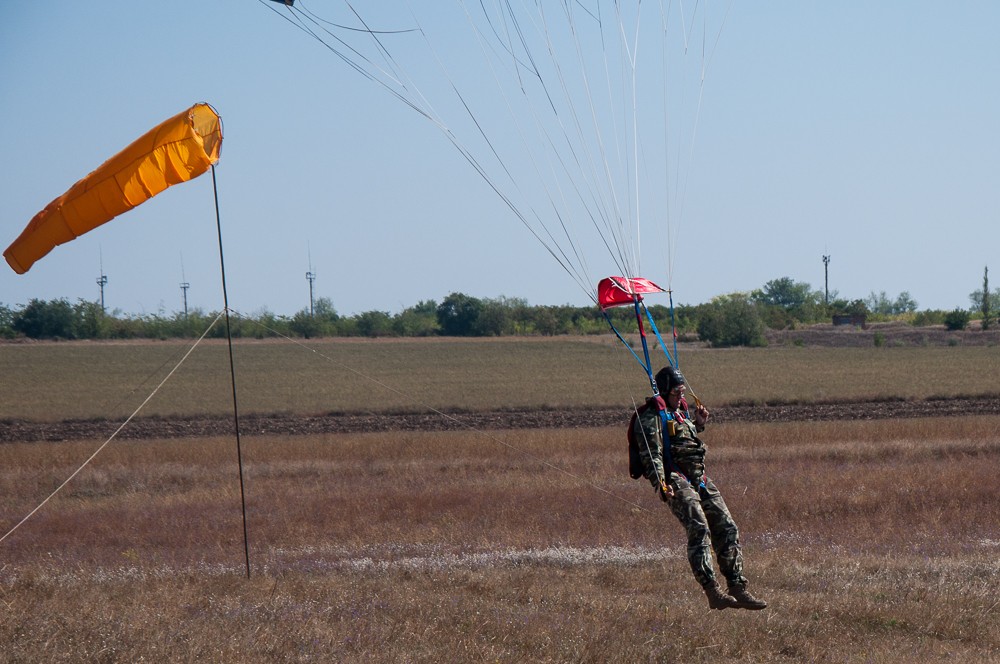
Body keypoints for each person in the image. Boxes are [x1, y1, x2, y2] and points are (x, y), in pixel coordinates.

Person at [631, 365, 767, 611]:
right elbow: (652, 455)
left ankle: (737, 586)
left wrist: (699, 424)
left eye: (682, 392)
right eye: (676, 393)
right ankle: (712, 591)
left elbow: (684, 438)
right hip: (674, 478)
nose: (681, 397)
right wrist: (661, 484)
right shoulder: (650, 418)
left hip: (698, 477)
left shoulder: (679, 412)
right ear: (664, 392)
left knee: (727, 526)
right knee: (699, 527)